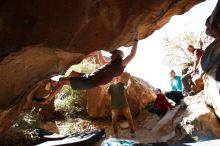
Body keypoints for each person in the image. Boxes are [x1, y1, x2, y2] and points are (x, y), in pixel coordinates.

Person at [42, 33, 139, 104]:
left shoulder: (120, 65)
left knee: (62, 80)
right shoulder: (109, 64)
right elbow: (100, 58)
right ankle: (55, 84)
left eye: (113, 54)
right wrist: (100, 48)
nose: (111, 55)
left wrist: (136, 40)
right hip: (87, 76)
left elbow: (132, 54)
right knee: (72, 72)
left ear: (118, 56)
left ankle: (48, 99)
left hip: (89, 81)